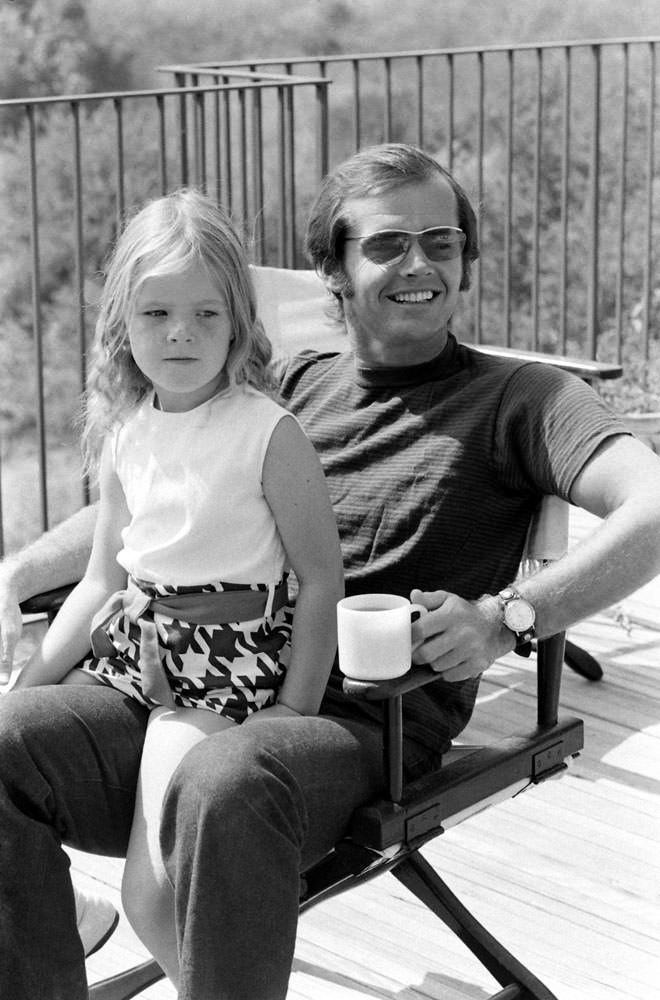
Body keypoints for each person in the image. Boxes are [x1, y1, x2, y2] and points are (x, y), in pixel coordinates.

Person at [2, 142, 660, 1000]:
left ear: (465, 260)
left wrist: (508, 617)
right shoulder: (287, 382)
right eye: (386, 244)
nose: (419, 263)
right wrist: (16, 573)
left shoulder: (525, 399)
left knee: (226, 778)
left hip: (362, 719)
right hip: (179, 678)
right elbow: (155, 502)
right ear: (332, 272)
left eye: (442, 241)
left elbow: (653, 509)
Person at [1, 189, 343, 993]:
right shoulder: (128, 432)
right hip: (132, 659)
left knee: (150, 894)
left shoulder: (266, 432)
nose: (180, 332)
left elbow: (321, 576)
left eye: (205, 314)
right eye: (156, 313)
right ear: (122, 323)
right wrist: (30, 683)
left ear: (237, 324)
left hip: (218, 677)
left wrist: (294, 709)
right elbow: (102, 578)